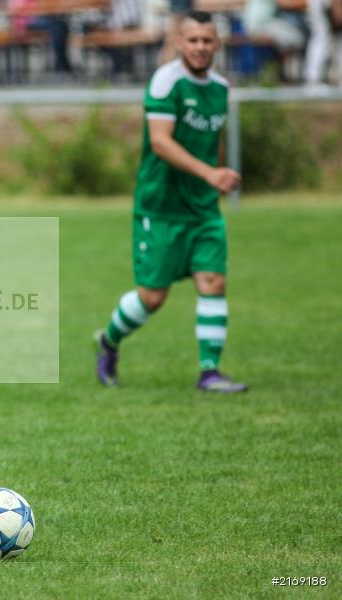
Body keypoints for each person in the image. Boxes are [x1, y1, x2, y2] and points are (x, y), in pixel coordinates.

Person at [93, 10, 247, 393]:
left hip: (202, 209)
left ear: (217, 45)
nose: (199, 47)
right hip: (160, 207)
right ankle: (108, 341)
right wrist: (210, 174)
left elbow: (215, 141)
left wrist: (219, 173)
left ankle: (209, 371)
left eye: (206, 41)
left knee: (213, 281)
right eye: (192, 40)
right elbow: (161, 142)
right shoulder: (166, 82)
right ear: (180, 43)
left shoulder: (221, 88)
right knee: (152, 297)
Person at [304, 0, 342, 88]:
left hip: (323, 5)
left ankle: (314, 80)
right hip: (322, 5)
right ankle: (313, 80)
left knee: (324, 38)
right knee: (321, 38)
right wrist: (336, 7)